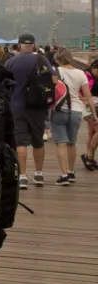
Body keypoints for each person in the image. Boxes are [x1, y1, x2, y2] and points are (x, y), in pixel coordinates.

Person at [5, 33, 55, 189]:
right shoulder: (42, 59)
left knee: (20, 142)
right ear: (34, 45)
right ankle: (39, 174)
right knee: (38, 141)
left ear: (19, 46)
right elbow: (54, 81)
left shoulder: (11, 62)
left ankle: (22, 176)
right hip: (37, 107)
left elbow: (4, 84)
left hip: (17, 106)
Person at [52, 48, 97, 185]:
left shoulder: (55, 71)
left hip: (60, 110)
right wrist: (94, 114)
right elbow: (88, 96)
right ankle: (71, 172)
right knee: (72, 143)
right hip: (77, 111)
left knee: (61, 143)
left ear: (58, 60)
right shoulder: (81, 73)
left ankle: (64, 175)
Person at [84, 59, 98, 171]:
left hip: (94, 106)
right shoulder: (87, 76)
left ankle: (89, 157)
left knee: (93, 133)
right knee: (94, 132)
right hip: (90, 107)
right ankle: (89, 157)